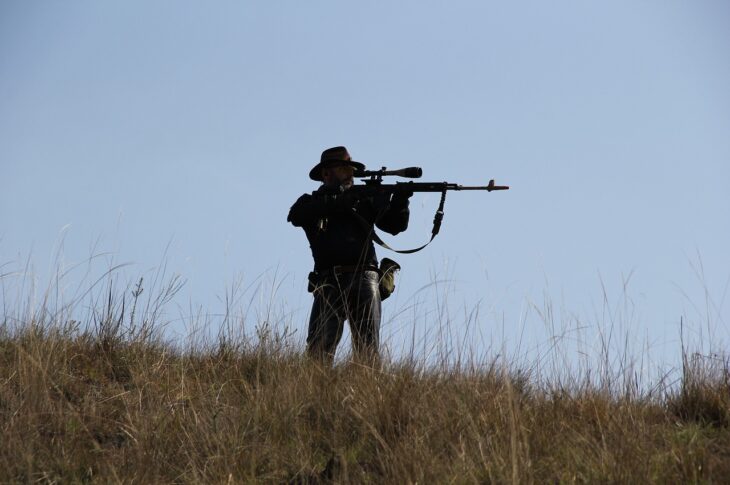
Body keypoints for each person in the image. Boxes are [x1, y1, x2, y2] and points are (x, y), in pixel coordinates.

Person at [287, 146, 412, 365]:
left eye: (350, 168)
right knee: (318, 351)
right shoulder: (312, 202)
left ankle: (368, 394)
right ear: (327, 173)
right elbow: (296, 215)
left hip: (365, 278)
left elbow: (394, 226)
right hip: (328, 280)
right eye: (344, 168)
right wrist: (341, 202)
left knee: (367, 350)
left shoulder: (363, 200)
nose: (350, 173)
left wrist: (401, 202)